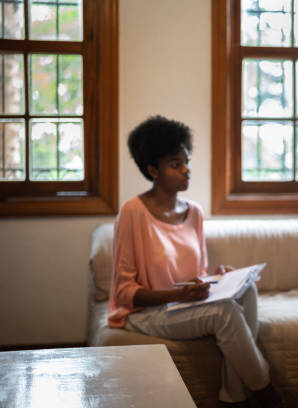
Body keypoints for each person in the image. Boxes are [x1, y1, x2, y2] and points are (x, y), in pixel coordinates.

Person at [108, 116, 281, 408]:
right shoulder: (132, 212)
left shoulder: (195, 212)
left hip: (182, 304)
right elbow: (124, 291)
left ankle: (233, 397)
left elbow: (195, 275)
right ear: (153, 170)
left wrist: (217, 278)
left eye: (186, 161)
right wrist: (179, 294)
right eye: (176, 164)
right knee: (224, 312)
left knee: (247, 289)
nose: (187, 170)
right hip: (147, 313)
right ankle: (268, 396)